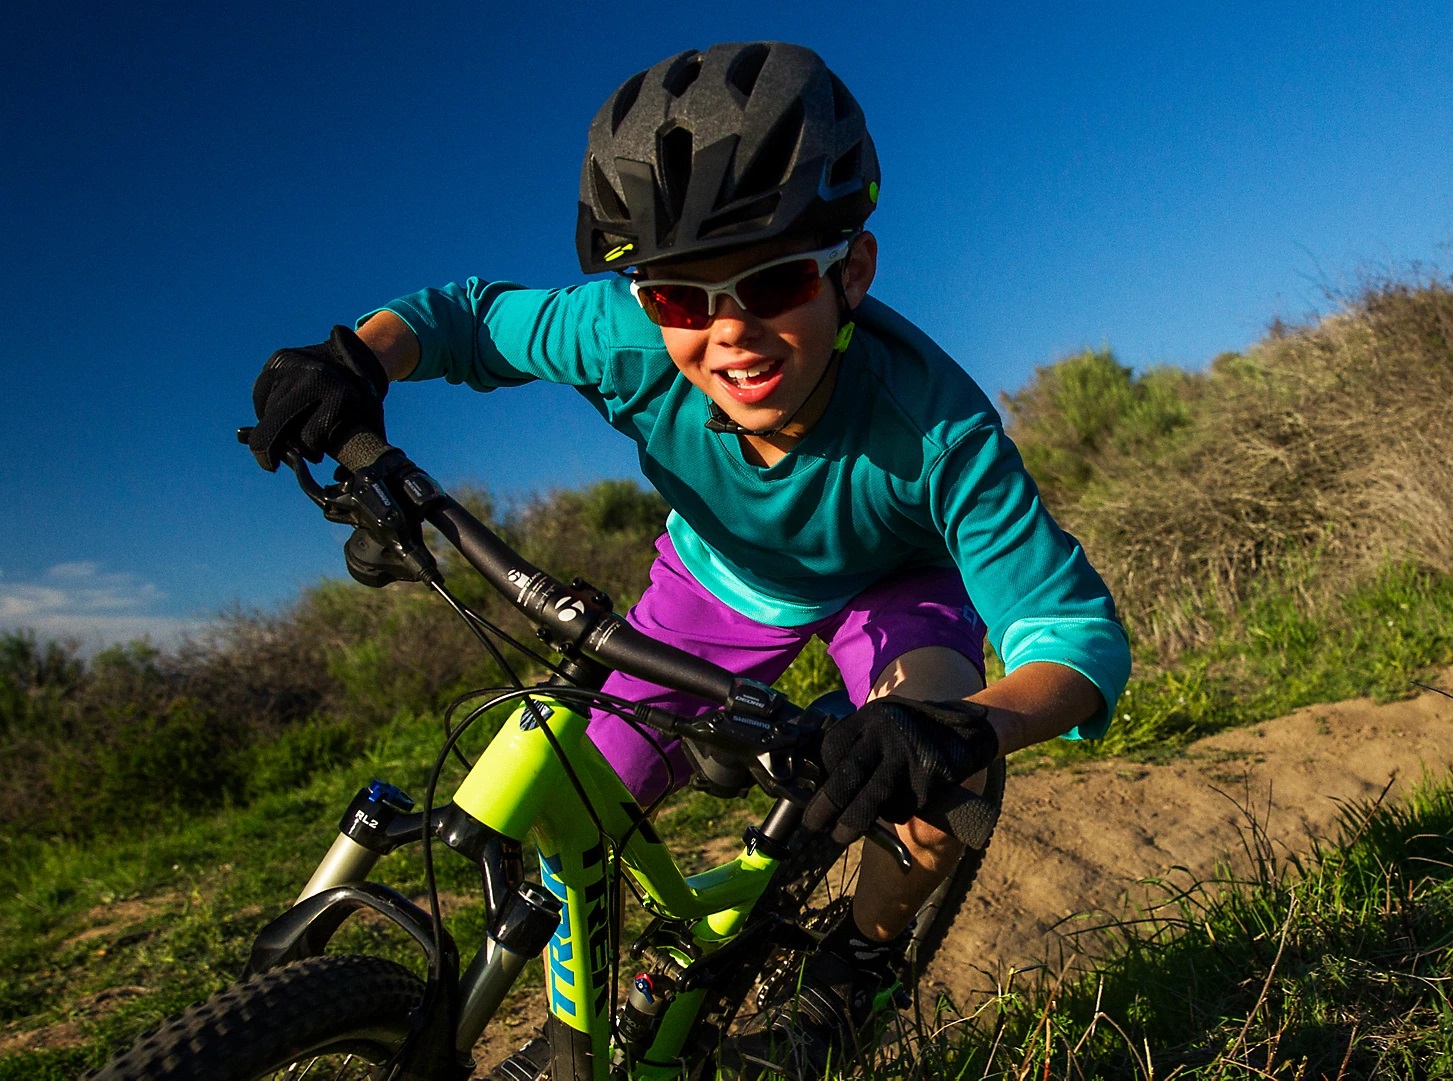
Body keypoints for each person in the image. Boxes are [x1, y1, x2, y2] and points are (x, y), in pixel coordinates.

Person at [246, 41, 1130, 1075]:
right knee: (577, 810)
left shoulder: (937, 425)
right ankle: (584, 1029)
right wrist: (357, 356)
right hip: (714, 583)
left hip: (891, 586)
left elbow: (1075, 640)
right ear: (644, 298)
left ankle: (856, 966)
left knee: (936, 783)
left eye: (777, 281)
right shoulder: (616, 336)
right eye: (678, 298)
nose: (729, 334)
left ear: (851, 271)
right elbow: (466, 320)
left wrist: (962, 727)